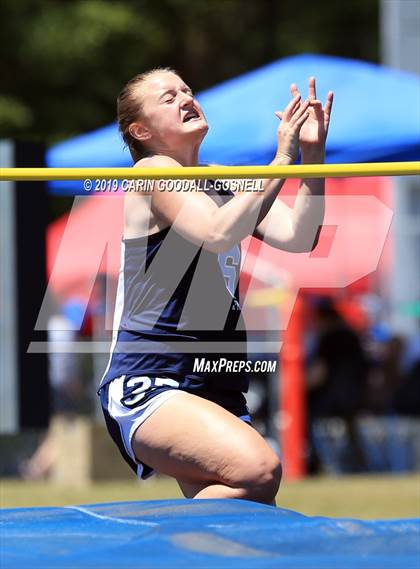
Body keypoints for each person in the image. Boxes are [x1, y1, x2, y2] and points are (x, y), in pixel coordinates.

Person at [98, 67, 333, 505]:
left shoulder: (221, 176)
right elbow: (215, 231)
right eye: (168, 97)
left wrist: (312, 159)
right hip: (152, 378)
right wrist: (281, 161)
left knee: (244, 512)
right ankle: (144, 550)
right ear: (140, 129)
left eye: (187, 89)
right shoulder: (152, 170)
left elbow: (299, 237)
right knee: (258, 470)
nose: (186, 97)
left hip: (214, 381)